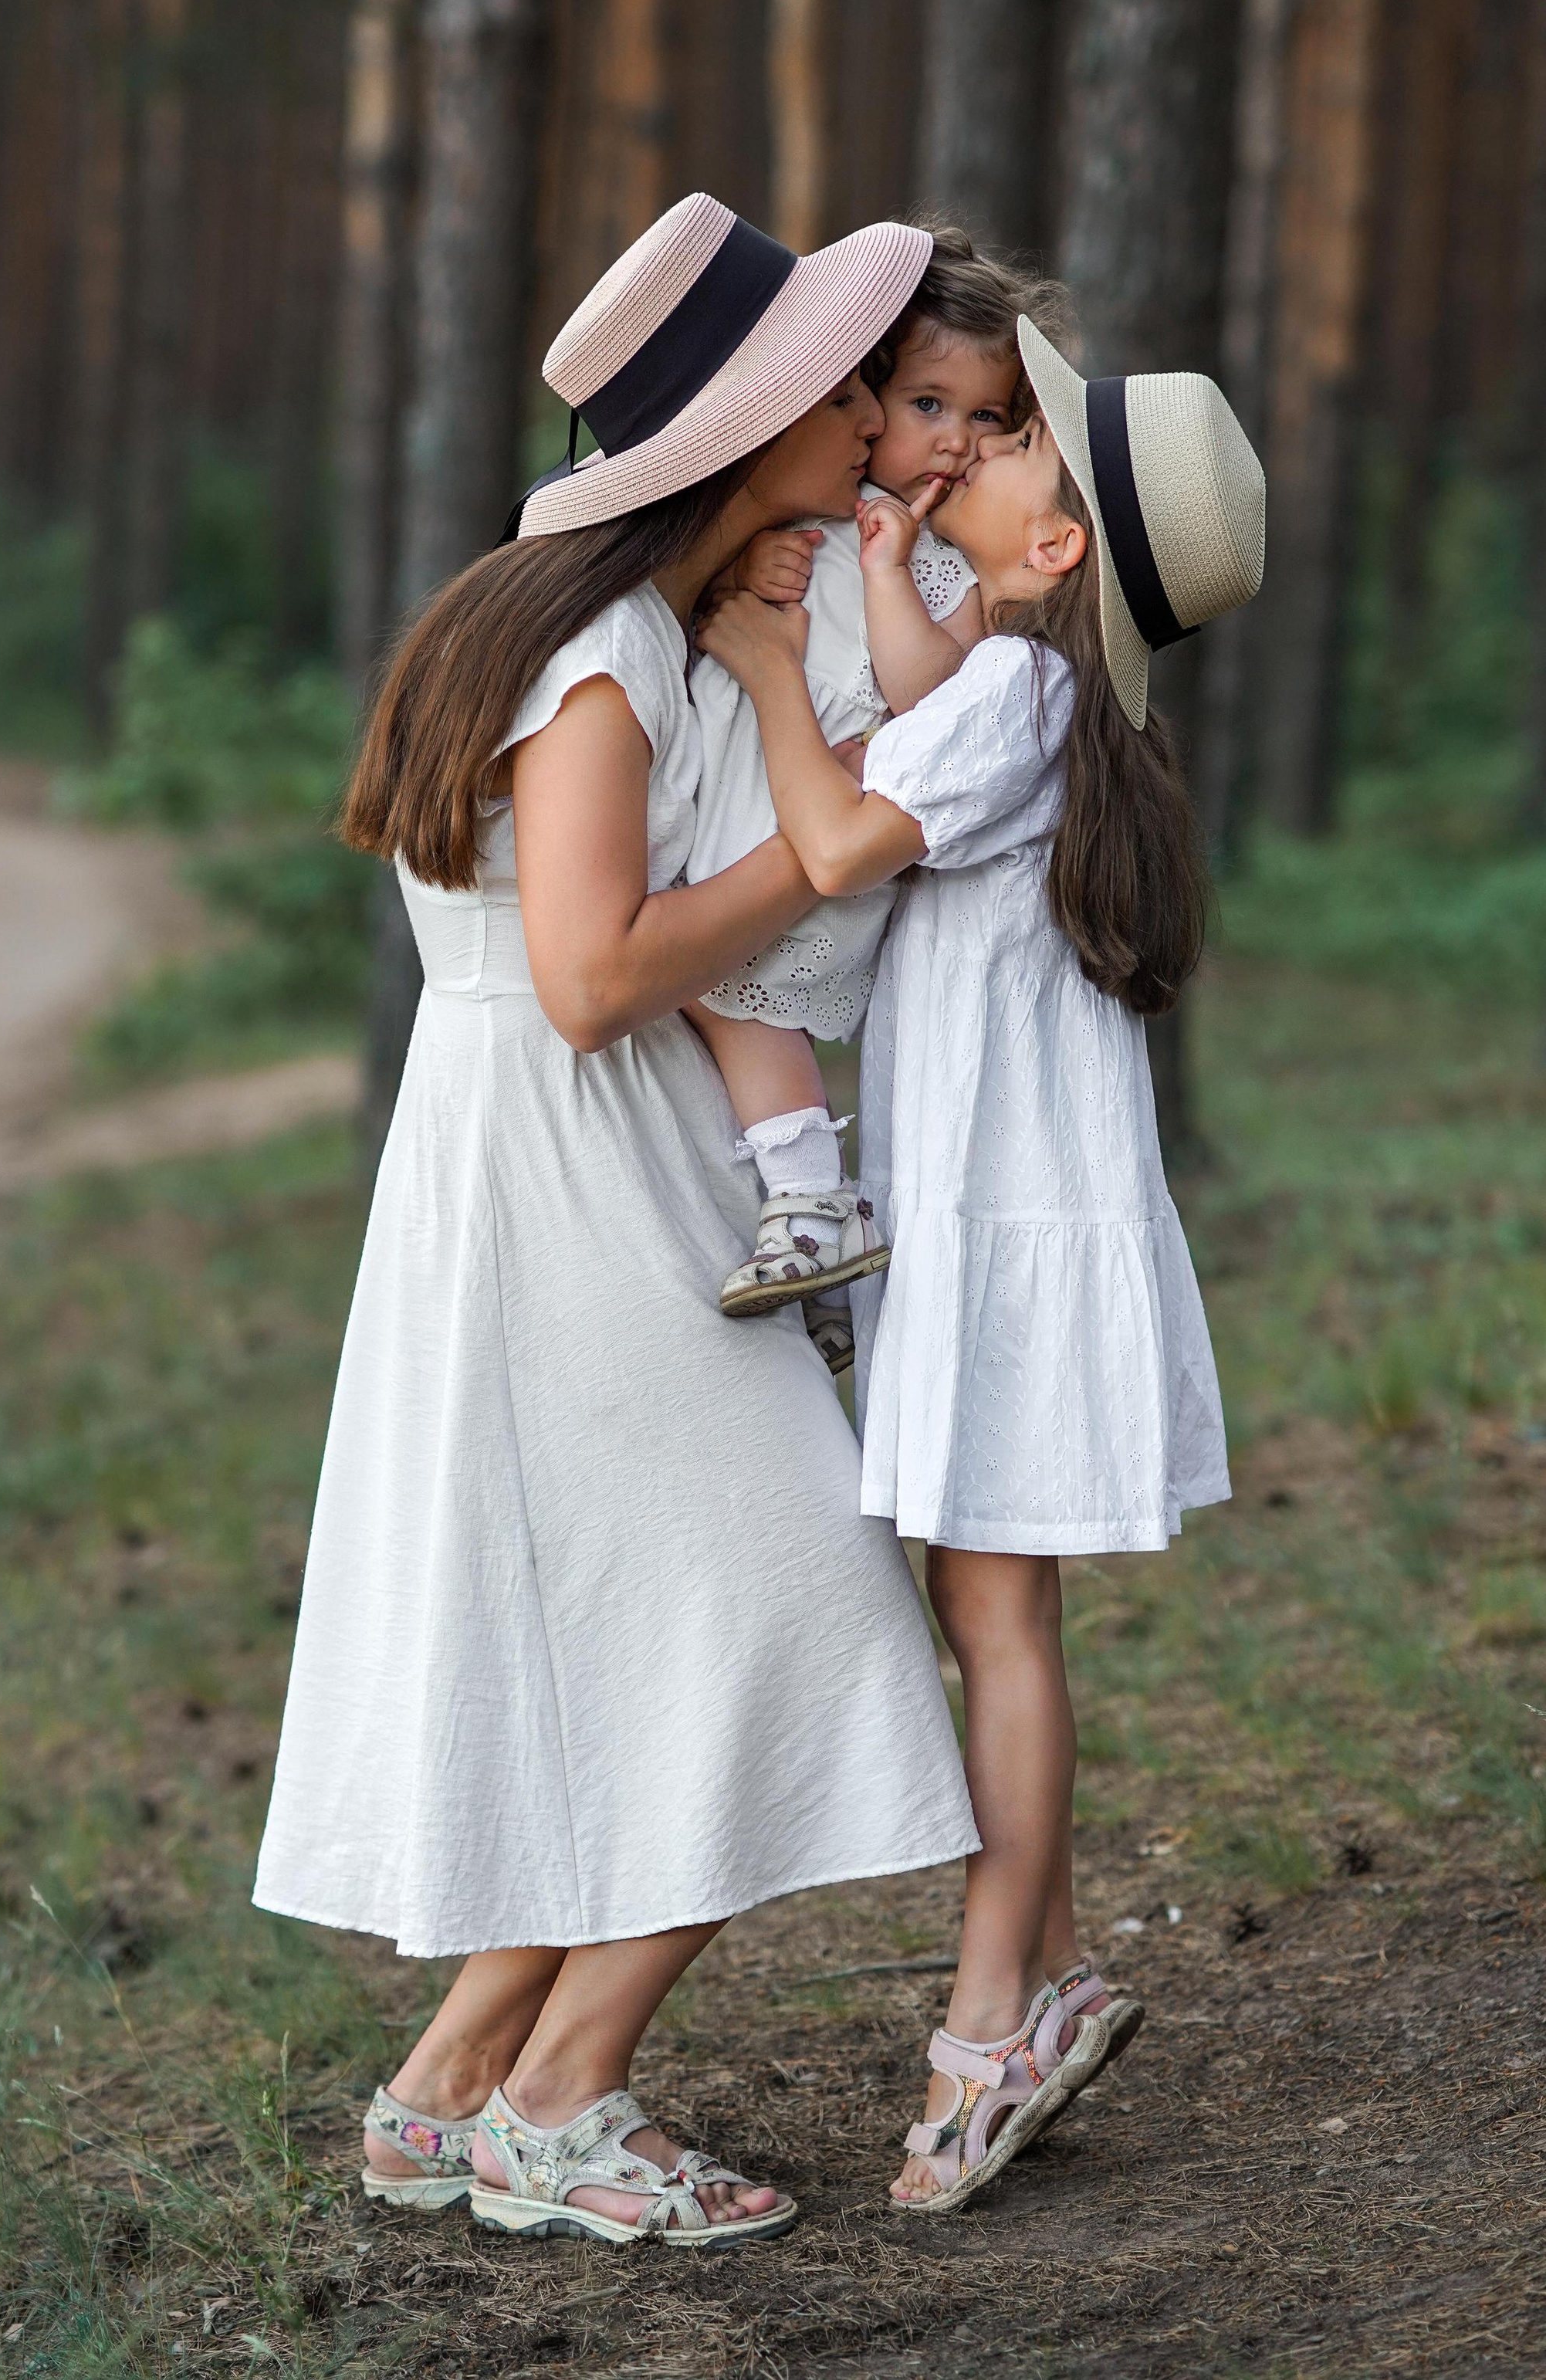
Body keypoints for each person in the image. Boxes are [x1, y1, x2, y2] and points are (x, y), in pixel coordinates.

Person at [252, 194, 979, 2251]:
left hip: (557, 1156)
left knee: (655, 1633)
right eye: (842, 387)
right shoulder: (595, 659)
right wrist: (844, 854)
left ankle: (451, 2083)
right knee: (789, 1601)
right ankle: (564, 2092)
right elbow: (588, 970)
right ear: (753, 428)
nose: (866, 417)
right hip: (562, 1156)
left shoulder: (601, 619)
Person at [696, 317, 1265, 2213]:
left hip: (1002, 1235)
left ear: (1057, 548)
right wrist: (872, 571)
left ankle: (989, 2008)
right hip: (989, 1218)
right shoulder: (1026, 693)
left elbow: (849, 836)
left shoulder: (1018, 706)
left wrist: (773, 661)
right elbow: (926, 706)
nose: (973, 448)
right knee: (988, 1623)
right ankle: (1041, 1967)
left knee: (996, 1631)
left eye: (1013, 445)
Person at [681, 229, 1074, 1365]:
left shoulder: (947, 565)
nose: (956, 442)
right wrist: (755, 568)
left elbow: (928, 691)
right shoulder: (811, 508)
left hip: (824, 834)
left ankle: (814, 1199)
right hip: (762, 821)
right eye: (928, 403)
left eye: (989, 419)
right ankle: (816, 1251)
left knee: (735, 1001)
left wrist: (894, 567)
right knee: (719, 1007)